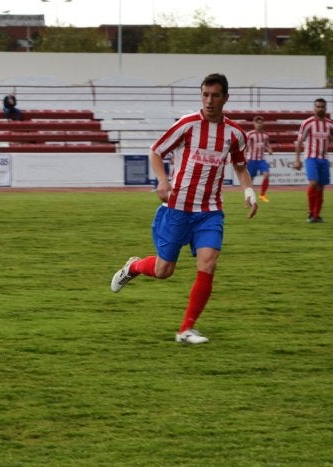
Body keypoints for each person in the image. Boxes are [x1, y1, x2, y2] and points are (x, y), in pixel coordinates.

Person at [110, 73, 258, 345]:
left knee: (209, 263)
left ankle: (186, 329)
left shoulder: (235, 134)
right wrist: (163, 180)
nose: (209, 101)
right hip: (178, 208)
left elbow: (239, 164)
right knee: (164, 270)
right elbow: (156, 151)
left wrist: (248, 190)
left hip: (210, 210)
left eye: (215, 95)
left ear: (226, 97)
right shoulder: (187, 125)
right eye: (205, 94)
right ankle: (134, 266)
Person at [294, 98, 333, 223]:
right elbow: (299, 141)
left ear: (326, 108)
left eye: (322, 107)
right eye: (318, 106)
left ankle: (316, 215)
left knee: (321, 187)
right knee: (313, 183)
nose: (320, 109)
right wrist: (297, 159)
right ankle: (310, 212)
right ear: (314, 108)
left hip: (324, 159)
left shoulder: (330, 124)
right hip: (311, 157)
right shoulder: (307, 123)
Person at [246, 115, 273, 203]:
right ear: (254, 124)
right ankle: (250, 197)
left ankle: (262, 195)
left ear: (263, 124)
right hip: (252, 160)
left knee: (267, 174)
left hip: (261, 159)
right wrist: (244, 157)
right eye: (257, 123)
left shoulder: (265, 135)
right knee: (251, 179)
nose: (259, 125)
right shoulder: (250, 134)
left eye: (261, 123)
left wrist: (269, 149)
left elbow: (266, 144)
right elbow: (246, 147)